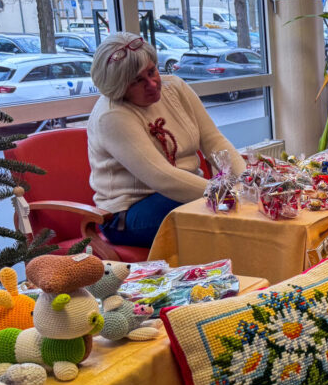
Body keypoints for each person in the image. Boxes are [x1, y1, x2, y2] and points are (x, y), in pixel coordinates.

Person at [87, 32, 246, 248]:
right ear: (118, 87)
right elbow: (162, 178)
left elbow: (213, 141)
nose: (152, 84)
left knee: (243, 209)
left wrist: (247, 181)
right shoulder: (111, 115)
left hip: (182, 194)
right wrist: (227, 194)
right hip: (129, 214)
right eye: (137, 81)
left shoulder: (176, 87)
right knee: (227, 216)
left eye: (152, 72)